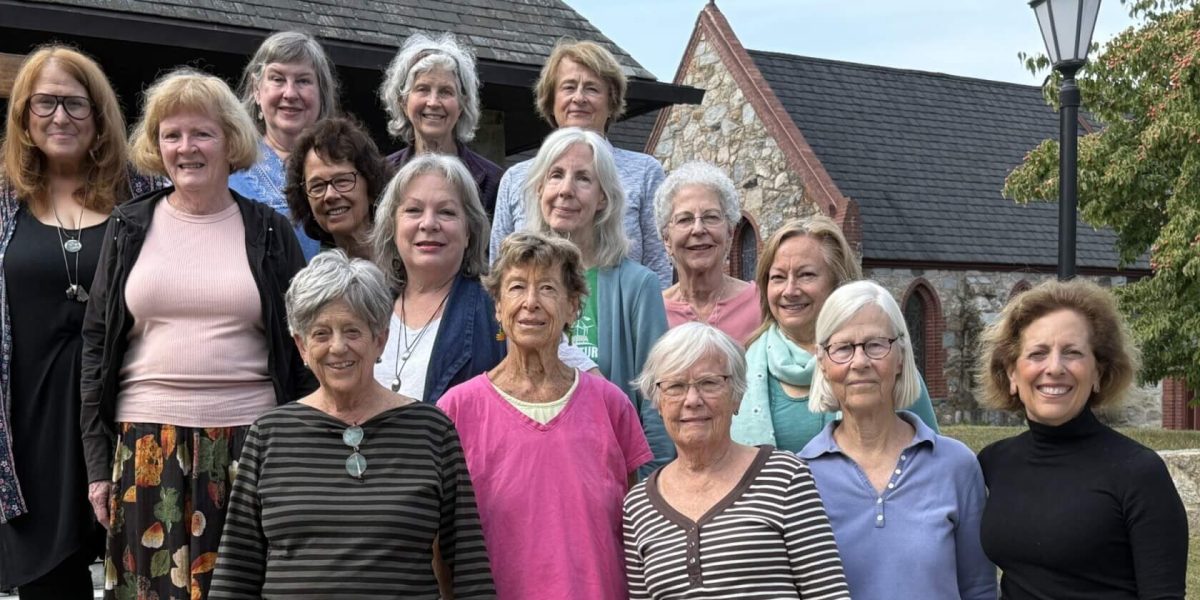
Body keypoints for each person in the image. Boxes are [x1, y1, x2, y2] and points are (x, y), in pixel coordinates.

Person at [79, 69, 312, 600]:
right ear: (156, 146)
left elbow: (302, 345)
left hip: (251, 445)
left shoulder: (270, 232)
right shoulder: (128, 226)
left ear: (229, 141)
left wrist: (302, 449)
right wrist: (98, 467)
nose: (186, 147)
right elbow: (96, 347)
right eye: (171, 135)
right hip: (145, 447)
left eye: (201, 133)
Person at [208, 251, 495, 599]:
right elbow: (237, 572)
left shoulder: (432, 431)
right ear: (301, 346)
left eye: (352, 331)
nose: (338, 347)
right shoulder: (269, 435)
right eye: (321, 333)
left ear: (380, 340)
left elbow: (468, 568)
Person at [0, 45, 155, 599]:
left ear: (99, 113)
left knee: (144, 574)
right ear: (23, 116)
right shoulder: (3, 203)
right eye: (44, 104)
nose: (59, 117)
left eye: (74, 103)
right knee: (48, 585)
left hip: (127, 420)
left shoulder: (144, 196)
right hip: (28, 432)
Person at [438, 232, 652, 600]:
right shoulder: (457, 410)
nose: (531, 303)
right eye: (517, 287)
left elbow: (633, 530)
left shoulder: (611, 405)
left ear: (572, 307)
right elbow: (441, 541)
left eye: (548, 288)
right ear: (498, 306)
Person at [976, 279, 1187, 599]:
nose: (1054, 368)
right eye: (1037, 353)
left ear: (1099, 373)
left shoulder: (1139, 473)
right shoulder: (993, 463)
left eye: (1072, 353)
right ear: (1011, 374)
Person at [797, 281, 995, 600]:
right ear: (823, 361)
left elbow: (979, 587)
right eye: (843, 348)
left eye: (876, 345)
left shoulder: (955, 466)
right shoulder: (799, 476)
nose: (860, 362)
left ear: (900, 357)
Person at [624, 323, 850, 600]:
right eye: (676, 386)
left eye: (709, 383)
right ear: (658, 403)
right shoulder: (638, 505)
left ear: (738, 396)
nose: (692, 400)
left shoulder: (785, 476)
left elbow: (828, 594)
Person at [369, 154, 595, 403]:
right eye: (413, 210)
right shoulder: (369, 306)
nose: (429, 223)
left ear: (469, 231)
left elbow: (588, 382)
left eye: (446, 212)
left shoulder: (498, 308)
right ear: (392, 226)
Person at [523, 127, 672, 470]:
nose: (565, 190)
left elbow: (657, 397)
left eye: (583, 179)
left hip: (614, 473)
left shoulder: (639, 285)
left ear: (603, 197)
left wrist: (650, 489)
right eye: (556, 175)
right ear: (540, 189)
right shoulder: (517, 287)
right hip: (537, 469)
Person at [731, 216, 939, 452]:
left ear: (837, 282)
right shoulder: (742, 364)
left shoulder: (880, 360)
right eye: (778, 277)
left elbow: (930, 455)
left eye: (806, 275)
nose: (789, 290)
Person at [489, 39, 671, 288]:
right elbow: (499, 272)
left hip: (621, 320)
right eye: (569, 87)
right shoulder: (516, 178)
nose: (579, 98)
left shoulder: (645, 172)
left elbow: (659, 268)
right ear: (551, 102)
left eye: (592, 89)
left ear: (612, 101)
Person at [232, 30, 342, 260]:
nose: (290, 93)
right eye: (277, 79)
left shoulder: (347, 166)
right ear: (256, 90)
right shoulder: (229, 167)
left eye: (303, 81)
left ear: (321, 93)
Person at [379, 31, 502, 217]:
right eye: (423, 89)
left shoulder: (493, 182)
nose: (433, 102)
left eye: (445, 92)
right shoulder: (381, 175)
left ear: (462, 104)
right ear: (403, 102)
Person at [654, 161, 759, 344]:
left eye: (711, 217)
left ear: (730, 233)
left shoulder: (760, 304)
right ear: (666, 239)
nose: (698, 229)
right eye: (684, 219)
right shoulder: (652, 312)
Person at [284, 116, 389, 259]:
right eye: (317, 186)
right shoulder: (317, 278)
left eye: (342, 181)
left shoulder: (410, 260)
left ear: (370, 185)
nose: (330, 195)